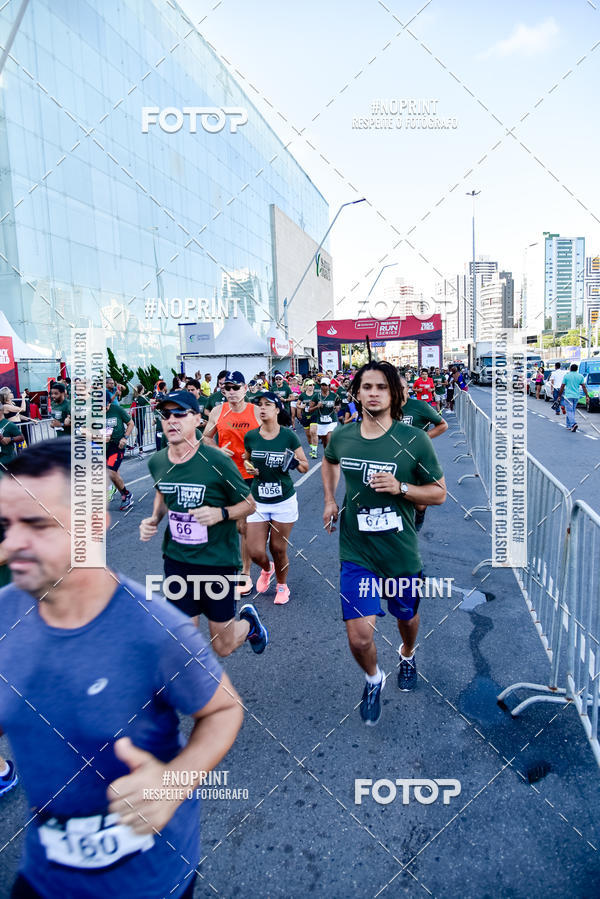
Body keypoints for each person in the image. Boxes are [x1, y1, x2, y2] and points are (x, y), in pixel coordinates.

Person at [0, 438, 243, 898]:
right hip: (44, 878)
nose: (12, 544)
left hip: (149, 882)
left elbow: (225, 708)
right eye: (4, 526)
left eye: (36, 524)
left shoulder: (154, 629)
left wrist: (175, 782)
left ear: (94, 524)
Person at [322, 362, 446, 725]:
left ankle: (407, 654)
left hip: (400, 553)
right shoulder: (343, 436)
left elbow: (438, 493)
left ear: (393, 395)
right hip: (357, 552)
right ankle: (373, 678)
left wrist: (401, 488)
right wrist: (330, 499)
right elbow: (329, 462)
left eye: (381, 387)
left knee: (405, 616)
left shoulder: (414, 440)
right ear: (357, 393)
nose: (373, 393)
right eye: (366, 387)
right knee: (360, 638)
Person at [142, 390, 268, 654]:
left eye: (180, 414)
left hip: (217, 563)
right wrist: (154, 519)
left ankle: (249, 625)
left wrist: (220, 514)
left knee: (223, 646)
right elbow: (163, 491)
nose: (171, 420)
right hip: (177, 560)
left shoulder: (217, 461)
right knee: (182, 641)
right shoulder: (157, 461)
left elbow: (249, 504)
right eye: (166, 414)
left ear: (198, 419)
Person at [243, 393, 308, 605]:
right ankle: (266, 568)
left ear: (278, 410)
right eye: (259, 405)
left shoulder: (288, 437)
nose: (262, 408)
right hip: (258, 499)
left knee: (278, 549)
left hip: (283, 501)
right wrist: (249, 467)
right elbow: (247, 459)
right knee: (254, 551)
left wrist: (294, 463)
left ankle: (282, 585)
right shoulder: (251, 436)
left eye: (267, 405)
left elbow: (304, 466)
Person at [203, 372, 261, 594]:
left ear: (245, 388)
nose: (232, 392)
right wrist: (218, 450)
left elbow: (270, 435)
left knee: (243, 524)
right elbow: (206, 438)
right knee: (230, 524)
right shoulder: (218, 412)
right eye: (227, 388)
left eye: (236, 387)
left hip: (250, 473)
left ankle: (245, 572)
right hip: (225, 472)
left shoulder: (256, 410)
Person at [398, 376, 448, 531]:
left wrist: (423, 438)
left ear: (407, 389)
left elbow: (442, 425)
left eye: (401, 388)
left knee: (419, 502)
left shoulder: (419, 406)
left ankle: (419, 517)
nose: (398, 392)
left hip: (418, 458)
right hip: (394, 458)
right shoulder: (385, 408)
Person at [100, 390, 134, 510]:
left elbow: (130, 423)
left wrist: (125, 438)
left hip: (117, 445)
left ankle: (126, 494)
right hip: (103, 447)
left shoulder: (116, 410)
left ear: (108, 403)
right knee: (112, 472)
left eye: (102, 406)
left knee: (111, 471)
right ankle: (116, 489)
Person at [308, 378, 339, 453]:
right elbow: (309, 409)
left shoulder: (334, 396)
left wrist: (336, 408)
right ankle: (327, 454)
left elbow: (338, 408)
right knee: (325, 442)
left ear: (329, 386)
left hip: (332, 421)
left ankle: (330, 456)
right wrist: (317, 406)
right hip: (321, 422)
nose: (323, 387)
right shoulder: (316, 396)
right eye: (322, 385)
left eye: (325, 385)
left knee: (329, 440)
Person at [559, 363, 589, 432]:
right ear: (577, 369)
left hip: (568, 396)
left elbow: (562, 386)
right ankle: (568, 425)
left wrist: (559, 395)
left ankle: (573, 424)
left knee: (569, 411)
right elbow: (584, 386)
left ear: (570, 369)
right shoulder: (580, 376)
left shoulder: (567, 376)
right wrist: (587, 395)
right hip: (576, 396)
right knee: (572, 411)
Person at [297, 379, 319, 458]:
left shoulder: (316, 394)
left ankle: (314, 451)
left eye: (313, 385)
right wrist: (301, 406)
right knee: (308, 435)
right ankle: (312, 448)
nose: (312, 387)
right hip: (305, 416)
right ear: (306, 386)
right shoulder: (302, 395)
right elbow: (297, 404)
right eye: (310, 385)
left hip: (314, 415)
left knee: (313, 432)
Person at [0, 404, 24, 471]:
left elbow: (21, 437)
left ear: (1, 411)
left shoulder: (9, 424)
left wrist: (10, 439)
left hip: (6, 459)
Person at [130, 384, 150, 449]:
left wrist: (146, 394)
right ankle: (140, 450)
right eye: (143, 389)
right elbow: (151, 401)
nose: (144, 390)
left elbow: (142, 397)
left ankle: (135, 443)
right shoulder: (142, 398)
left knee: (140, 432)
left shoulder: (136, 397)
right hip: (140, 418)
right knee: (141, 433)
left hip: (134, 418)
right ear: (141, 390)